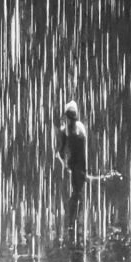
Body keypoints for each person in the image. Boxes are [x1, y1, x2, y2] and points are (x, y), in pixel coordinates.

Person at [55, 101, 88, 237]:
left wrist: (79, 170)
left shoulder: (77, 133)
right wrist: (63, 161)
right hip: (74, 165)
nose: (70, 122)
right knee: (75, 194)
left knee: (76, 193)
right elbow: (61, 151)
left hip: (77, 165)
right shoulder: (70, 130)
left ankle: (73, 224)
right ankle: (73, 223)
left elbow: (80, 154)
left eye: (71, 120)